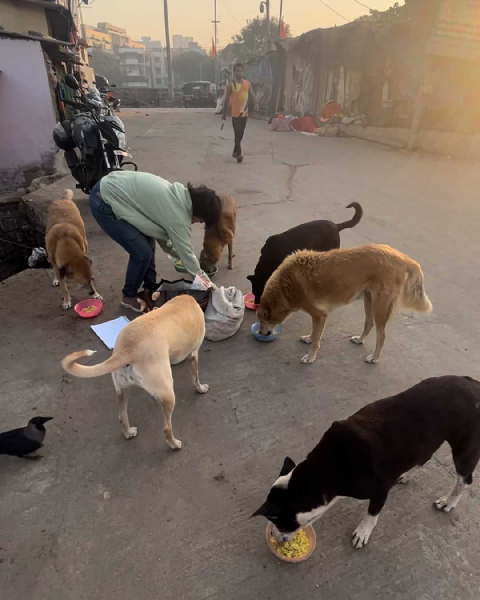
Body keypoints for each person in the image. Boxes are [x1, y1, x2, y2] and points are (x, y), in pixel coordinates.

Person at [89, 170, 221, 312]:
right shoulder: (178, 215)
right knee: (142, 253)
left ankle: (150, 288)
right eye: (202, 220)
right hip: (104, 200)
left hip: (114, 187)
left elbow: (164, 238)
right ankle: (128, 296)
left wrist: (177, 255)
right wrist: (209, 286)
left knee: (148, 243)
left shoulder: (180, 196)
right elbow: (187, 255)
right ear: (199, 212)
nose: (199, 222)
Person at [223, 63, 257, 163]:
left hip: (244, 113)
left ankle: (235, 150)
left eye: (240, 71)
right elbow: (226, 99)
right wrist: (224, 113)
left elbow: (252, 95)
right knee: (237, 132)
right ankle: (239, 154)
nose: (239, 73)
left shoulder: (247, 84)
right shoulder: (231, 85)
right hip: (235, 114)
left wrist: (256, 103)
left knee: (240, 134)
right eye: (237, 71)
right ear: (234, 73)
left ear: (243, 72)